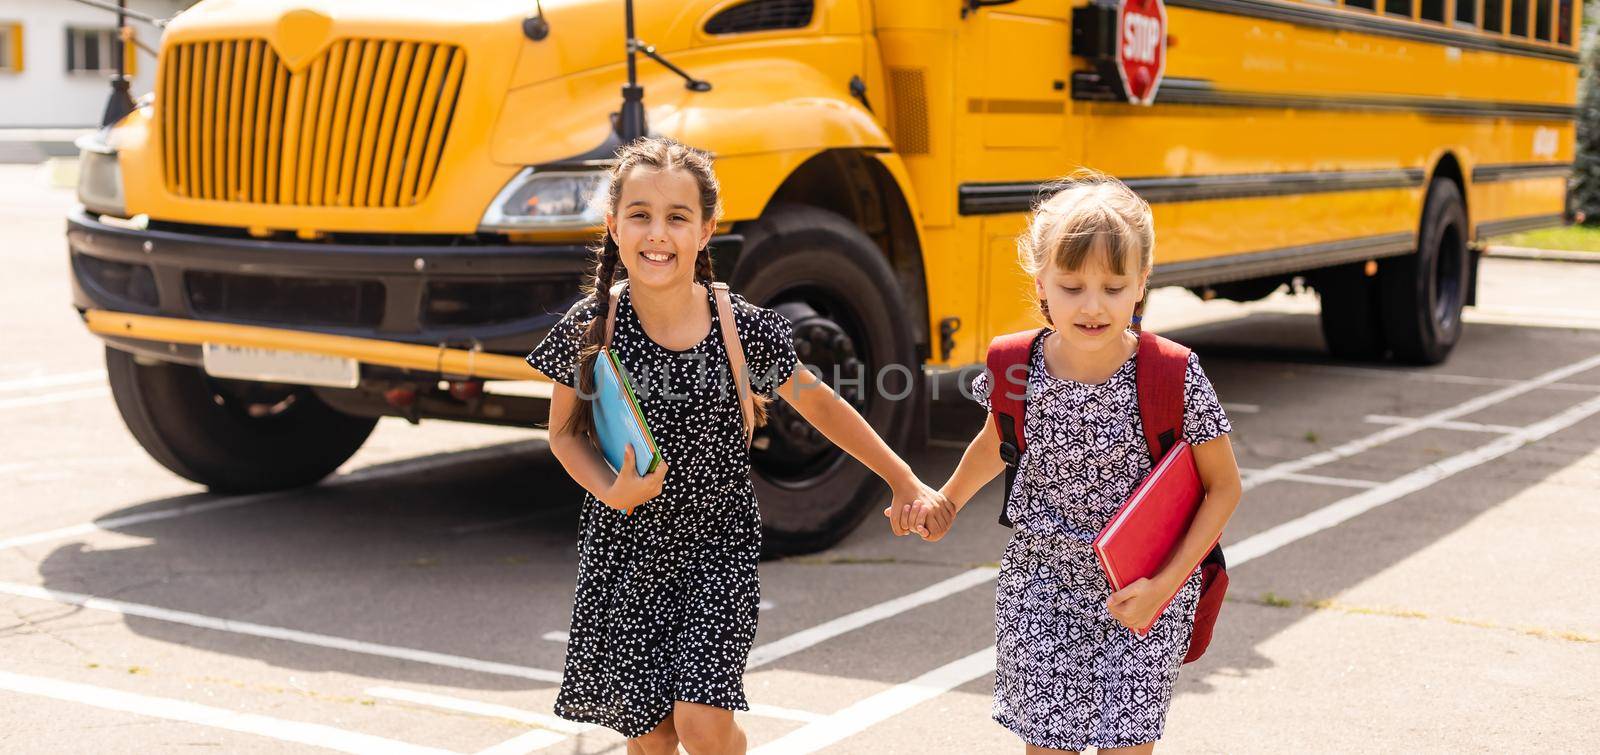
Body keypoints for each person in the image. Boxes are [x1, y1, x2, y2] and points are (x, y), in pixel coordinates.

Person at [525, 136, 951, 755]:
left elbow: (821, 403)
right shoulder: (593, 326)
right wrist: (610, 490)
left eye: (677, 217)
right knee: (651, 738)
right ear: (614, 226)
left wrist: (903, 478)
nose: (657, 234)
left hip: (717, 550)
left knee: (703, 727)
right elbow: (564, 433)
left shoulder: (741, 326)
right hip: (625, 554)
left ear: (706, 230)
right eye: (640, 215)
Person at [910, 170, 1242, 754]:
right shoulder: (1017, 364)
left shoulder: (1173, 373)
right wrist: (948, 500)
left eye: (1114, 288)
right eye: (1071, 287)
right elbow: (998, 440)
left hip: (1140, 596)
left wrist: (1165, 587)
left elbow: (1224, 489)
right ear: (1040, 283)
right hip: (1039, 590)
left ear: (1141, 285)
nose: (1093, 307)